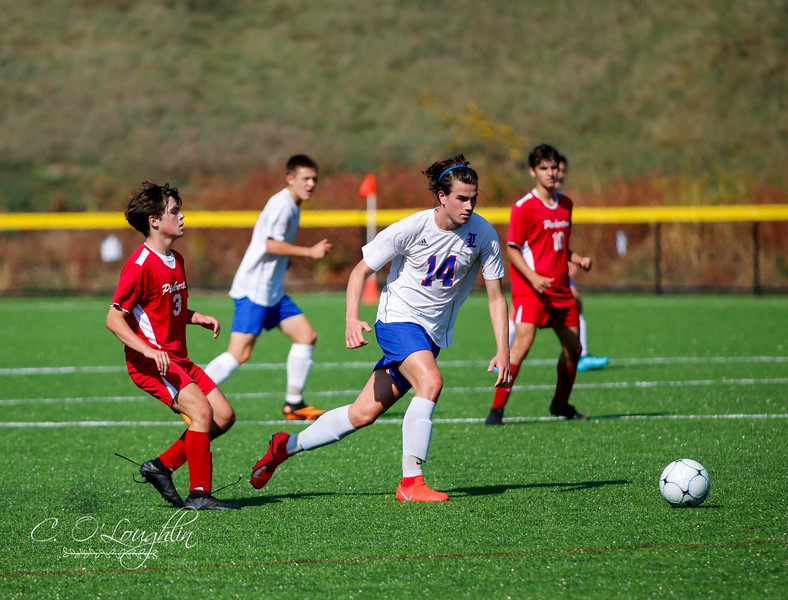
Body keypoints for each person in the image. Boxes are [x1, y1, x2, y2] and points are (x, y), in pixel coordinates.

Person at [249, 155, 512, 501]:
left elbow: (495, 297)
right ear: (441, 196)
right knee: (431, 381)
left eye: (473, 197)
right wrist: (351, 319)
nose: (469, 205)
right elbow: (359, 272)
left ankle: (284, 447)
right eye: (461, 198)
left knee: (362, 414)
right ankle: (411, 483)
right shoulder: (411, 228)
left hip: (430, 335)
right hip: (397, 321)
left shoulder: (484, 233)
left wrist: (503, 349)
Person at [106, 181, 239, 510]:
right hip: (152, 363)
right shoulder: (140, 265)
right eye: (174, 211)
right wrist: (148, 351)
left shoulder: (176, 259)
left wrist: (197, 318)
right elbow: (113, 318)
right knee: (202, 412)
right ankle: (199, 495)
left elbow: (164, 311)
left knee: (223, 417)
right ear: (154, 221)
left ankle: (161, 467)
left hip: (178, 358)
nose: (182, 216)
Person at [204, 155, 332, 420]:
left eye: (314, 179)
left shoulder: (294, 205)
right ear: (290, 179)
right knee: (239, 353)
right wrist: (309, 252)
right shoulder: (281, 205)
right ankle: (193, 396)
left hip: (272, 292)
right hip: (254, 290)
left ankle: (294, 405)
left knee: (306, 335)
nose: (311, 184)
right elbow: (270, 245)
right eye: (305, 178)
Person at [485, 144, 592, 426]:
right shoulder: (524, 207)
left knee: (575, 350)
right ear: (533, 171)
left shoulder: (566, 204)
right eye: (543, 168)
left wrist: (577, 258)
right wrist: (533, 278)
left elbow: (559, 246)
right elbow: (512, 248)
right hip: (531, 291)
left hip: (560, 291)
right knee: (522, 344)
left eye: (554, 167)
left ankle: (560, 403)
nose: (550, 173)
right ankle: (496, 411)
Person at [556, 154, 609, 373]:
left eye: (561, 170)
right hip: (537, 270)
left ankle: (582, 356)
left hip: (557, 267)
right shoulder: (531, 204)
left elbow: (558, 242)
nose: (557, 174)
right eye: (551, 169)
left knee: (576, 303)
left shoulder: (563, 200)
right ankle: (504, 358)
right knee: (521, 322)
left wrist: (575, 259)